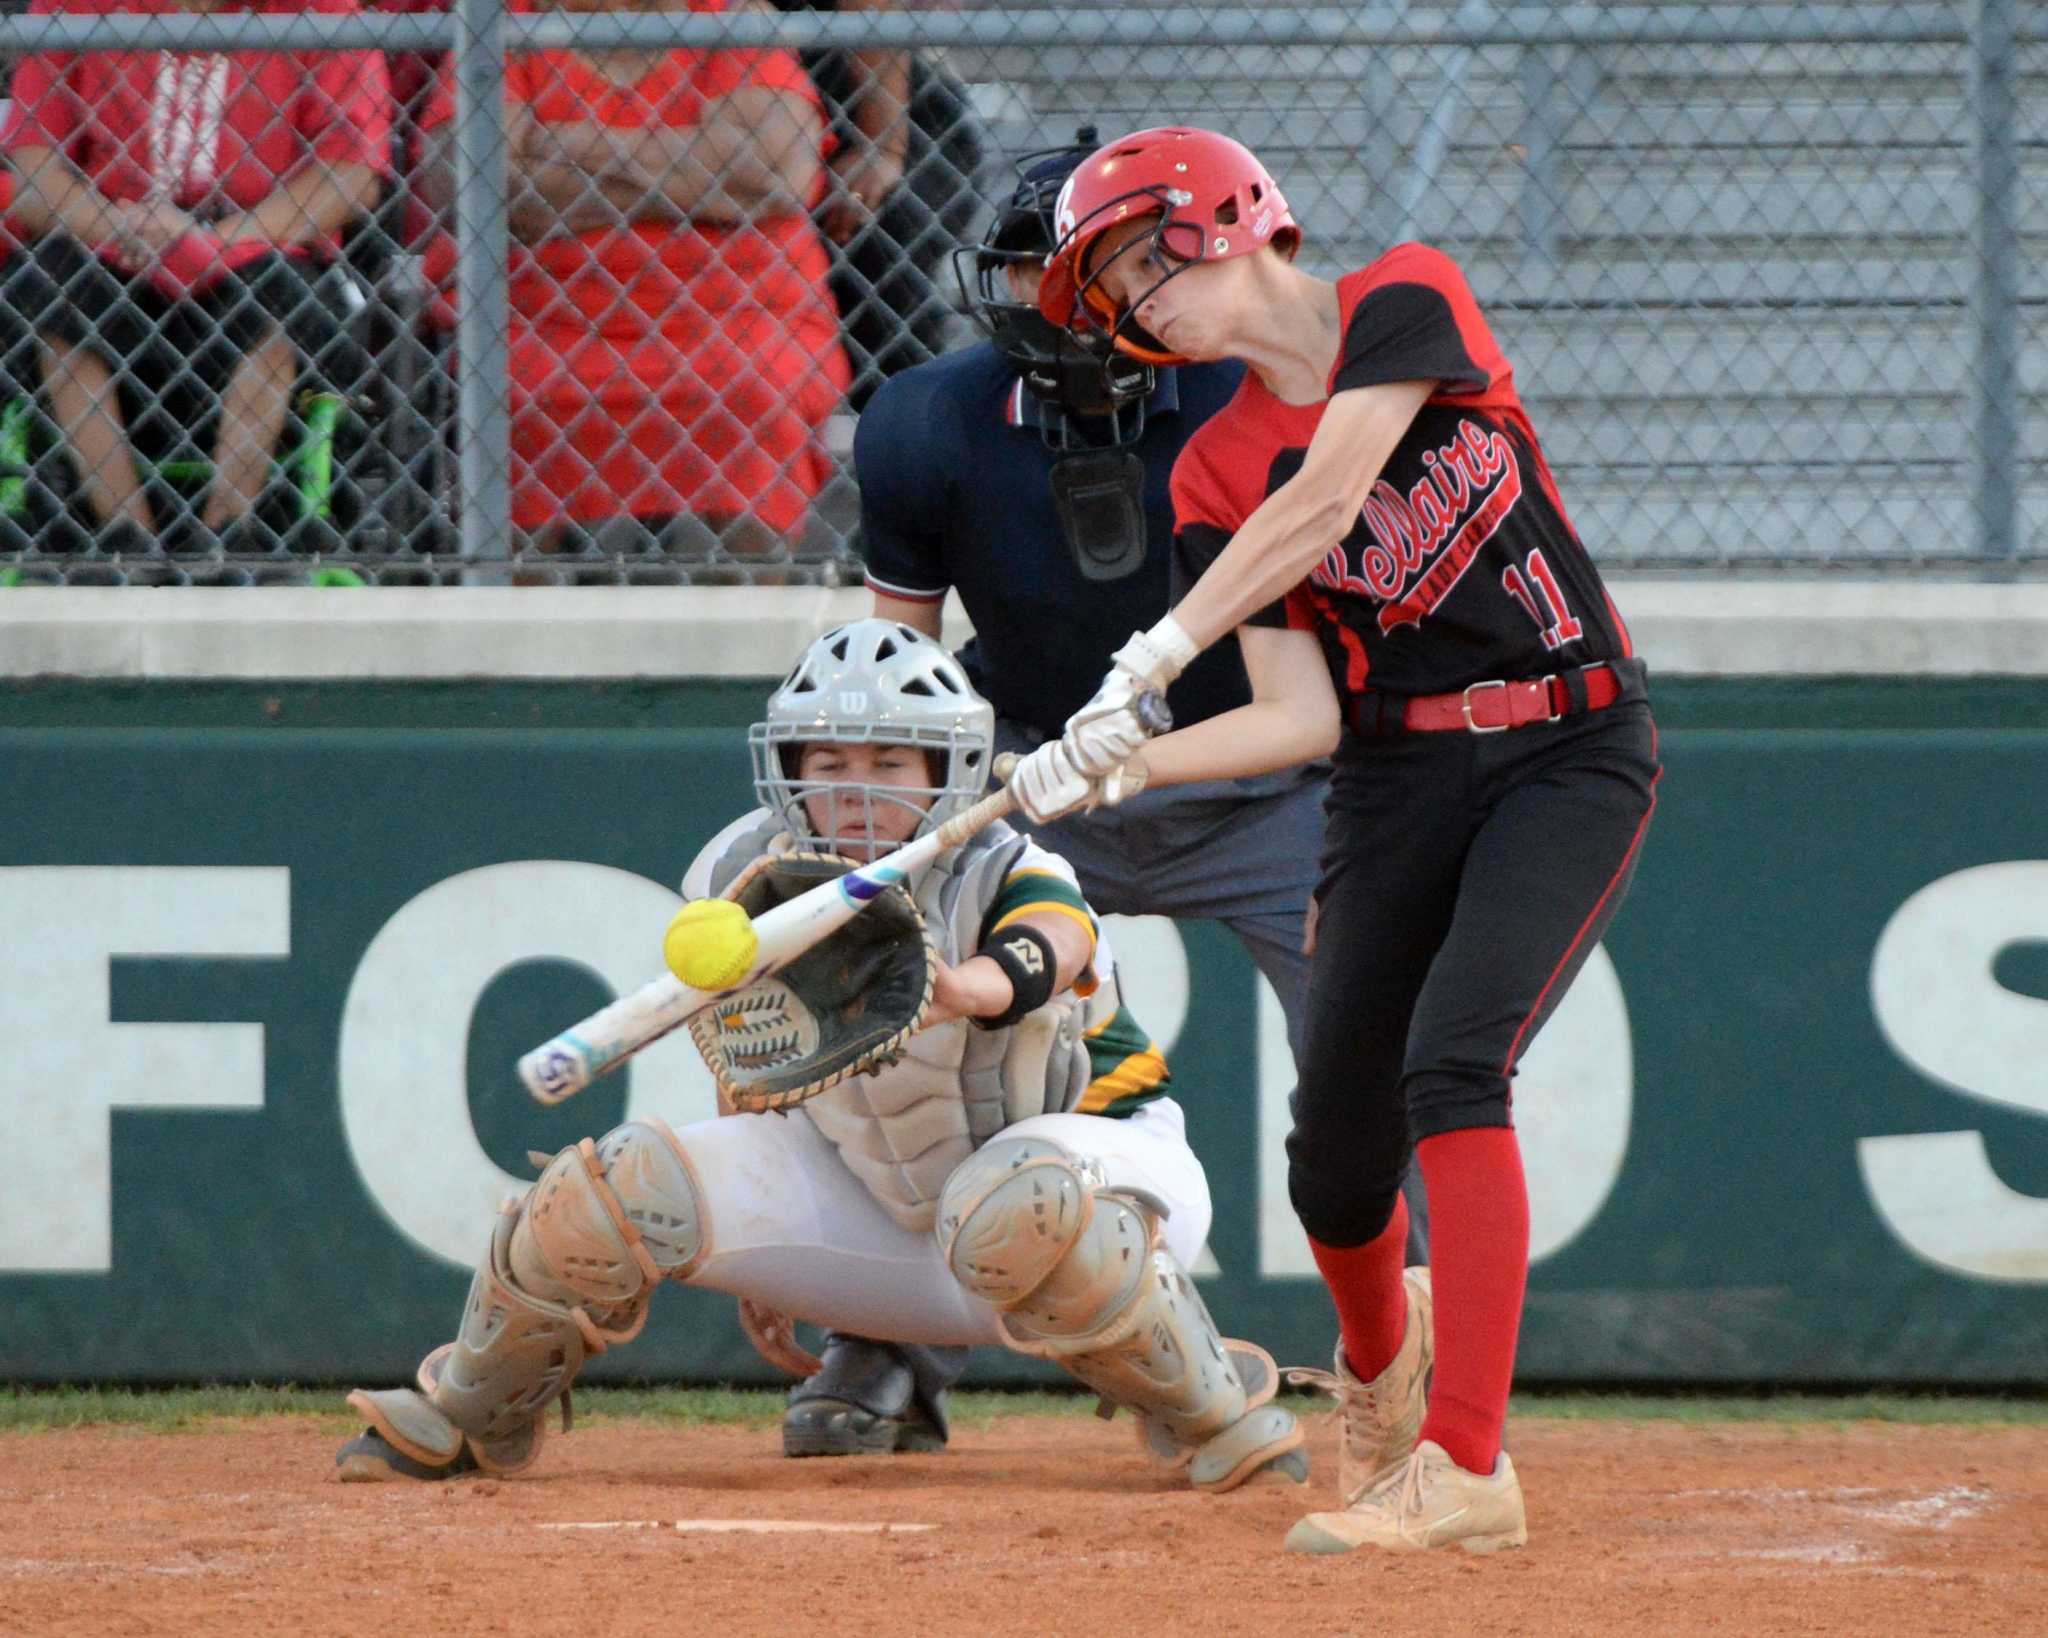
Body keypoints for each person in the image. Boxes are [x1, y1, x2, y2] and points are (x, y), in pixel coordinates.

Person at [1008, 126, 1663, 1554]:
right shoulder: (1208, 473)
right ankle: (1381, 1372)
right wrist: (1109, 765)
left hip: (1566, 744)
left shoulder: (1403, 300)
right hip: (1391, 778)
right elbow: (1298, 712)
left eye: (1132, 254)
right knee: (1335, 1154)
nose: (1130, 300)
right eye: (1106, 281)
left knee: (1456, 1062)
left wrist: (1156, 653)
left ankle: (1469, 1465)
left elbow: (1328, 500)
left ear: (1226, 215)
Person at [780, 129, 1429, 1462]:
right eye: (1034, 270)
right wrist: (936, 855)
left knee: (1375, 1046)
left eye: (1099, 267)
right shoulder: (926, 422)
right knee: (907, 1015)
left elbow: (1325, 648)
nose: (1065, 302)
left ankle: (1412, 1358)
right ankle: (885, 1339)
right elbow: (898, 691)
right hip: (1022, 777)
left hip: (1265, 780)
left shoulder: (1250, 400)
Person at [334, 618, 1309, 1499]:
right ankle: (468, 1414)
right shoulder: (740, 875)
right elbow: (751, 1061)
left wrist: (953, 989)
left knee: (1011, 1203)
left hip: (1101, 1190)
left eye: (891, 763)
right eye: (828, 758)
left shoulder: (1004, 863)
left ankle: (1213, 1411)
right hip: (885, 1218)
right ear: (784, 766)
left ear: (945, 772)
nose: (853, 788)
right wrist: (756, 1248)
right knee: (605, 1188)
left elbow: (1059, 949)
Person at [416, 0, 851, 559]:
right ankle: (522, 623)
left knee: (755, 394)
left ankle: (740, 617)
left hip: (740, 317)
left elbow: (775, 175)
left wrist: (558, 148)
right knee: (513, 396)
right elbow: (467, 180)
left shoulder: (726, 16)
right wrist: (698, 175)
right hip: (540, 319)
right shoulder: (508, 18)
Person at [0, 0, 390, 551]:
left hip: (260, 248)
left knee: (279, 303)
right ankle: (125, 540)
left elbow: (350, 179)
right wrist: (122, 229)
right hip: (114, 249)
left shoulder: (325, 12)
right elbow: (36, 179)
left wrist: (212, 242)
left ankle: (228, 537)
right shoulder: (74, 7)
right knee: (49, 288)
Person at [769, 0, 986, 408]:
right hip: (750, 101)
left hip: (877, 106)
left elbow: (871, 8)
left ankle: (904, 439)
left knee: (883, 246)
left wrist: (882, 144)